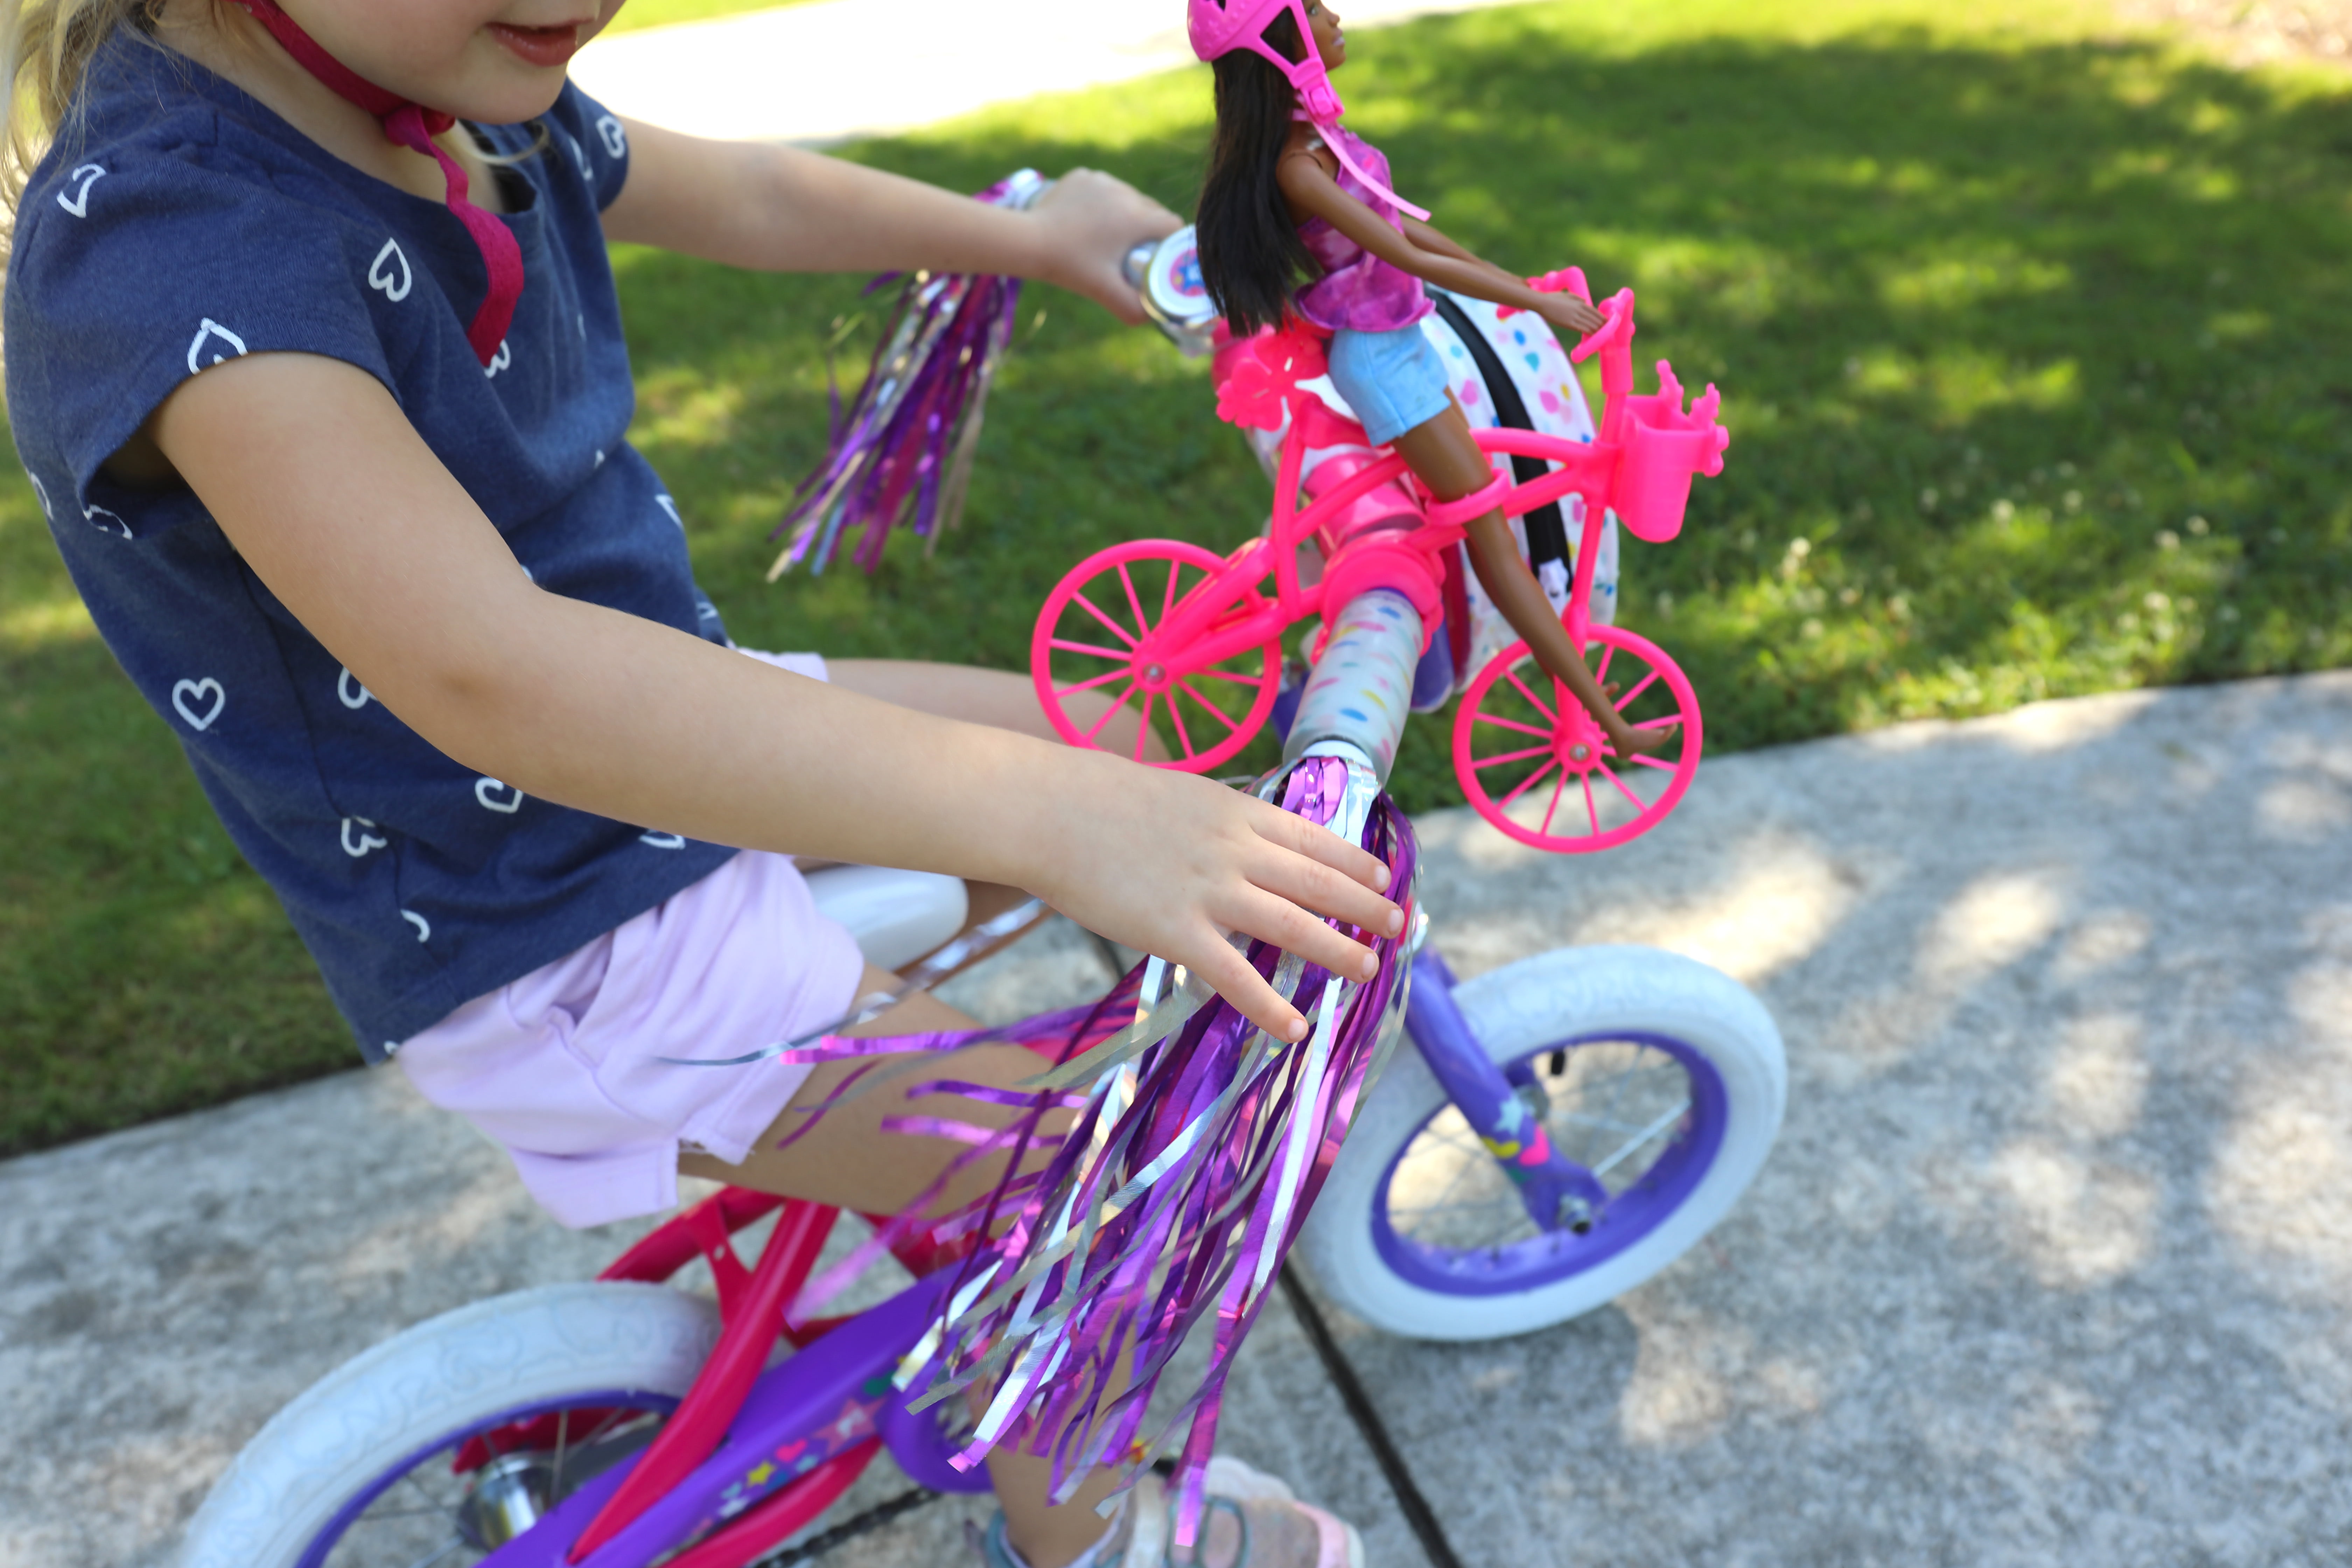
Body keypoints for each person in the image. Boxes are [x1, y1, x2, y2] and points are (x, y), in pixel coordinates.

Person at [0, 3, 1391, 1564]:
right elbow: (490, 673)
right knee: (1092, 1180)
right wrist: (1050, 826)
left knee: (1124, 746)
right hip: (555, 919)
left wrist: (1028, 235)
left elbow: (749, 197)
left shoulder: (442, 81)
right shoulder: (183, 247)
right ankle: (1106, 1538)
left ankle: (886, 1141)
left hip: (642, 767)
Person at [1191, 0, 1672, 764]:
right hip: (1381, 365)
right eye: (1314, 11)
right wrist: (1532, 300)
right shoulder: (1296, 167)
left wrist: (1512, 282)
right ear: (1280, 44)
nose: (1334, 16)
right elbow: (1406, 256)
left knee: (1489, 512)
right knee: (1493, 530)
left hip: (1402, 347)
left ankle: (1588, 705)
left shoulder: (1319, 141)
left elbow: (1415, 229)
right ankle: (1604, 722)